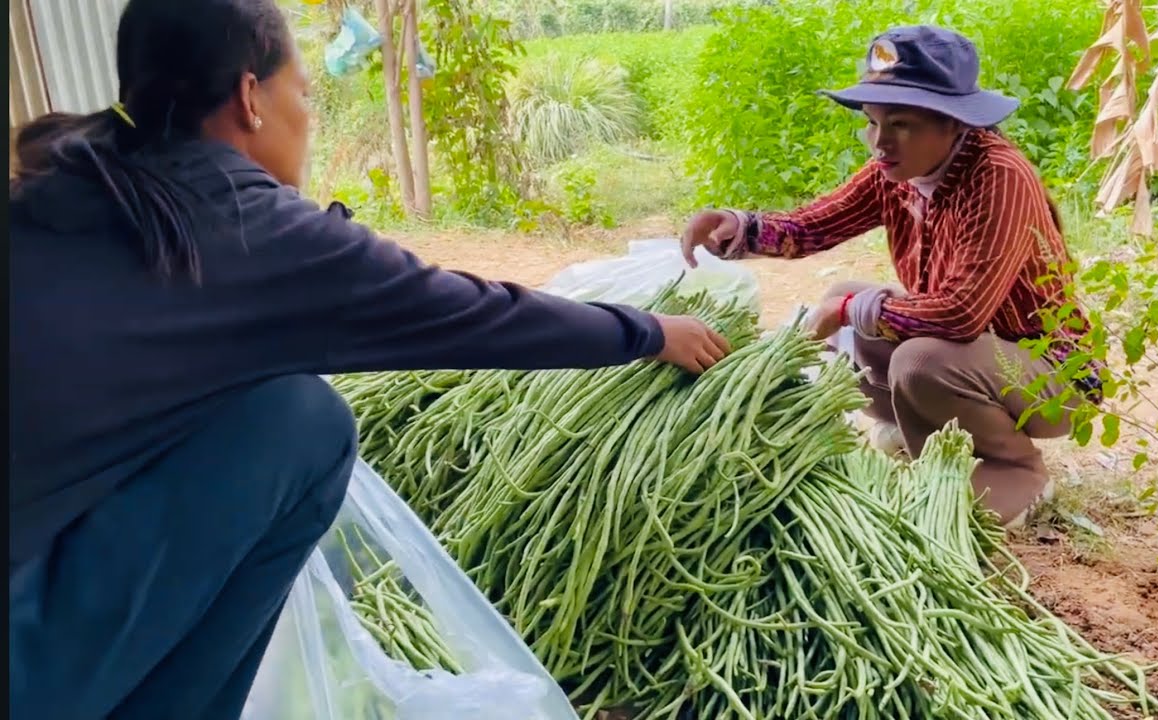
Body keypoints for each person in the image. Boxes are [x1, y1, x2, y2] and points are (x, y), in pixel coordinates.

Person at [7, 1, 730, 718]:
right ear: (251, 98)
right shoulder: (251, 231)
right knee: (299, 419)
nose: (309, 117)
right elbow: (477, 316)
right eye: (304, 93)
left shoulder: (57, 184)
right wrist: (648, 332)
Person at [681, 25, 1101, 528]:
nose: (880, 142)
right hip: (980, 356)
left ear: (953, 123)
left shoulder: (998, 177)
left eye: (900, 123)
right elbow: (813, 225)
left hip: (1049, 377)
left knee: (916, 356)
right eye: (873, 122)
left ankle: (1017, 467)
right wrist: (739, 228)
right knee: (851, 299)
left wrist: (843, 315)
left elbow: (959, 314)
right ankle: (910, 428)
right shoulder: (898, 172)